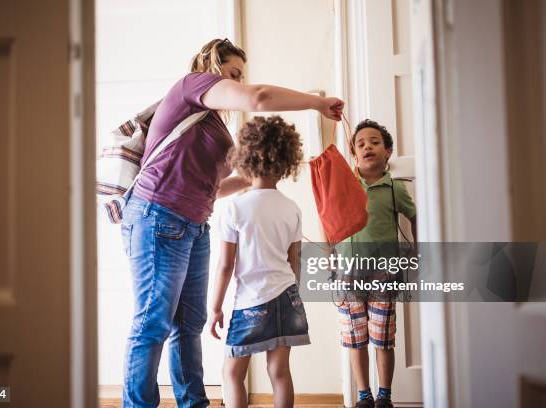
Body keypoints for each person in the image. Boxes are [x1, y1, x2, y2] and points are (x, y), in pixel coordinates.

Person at [121, 38, 343, 408]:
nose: (239, 83)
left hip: (192, 225)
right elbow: (257, 97)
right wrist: (318, 103)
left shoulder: (212, 124)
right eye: (234, 74)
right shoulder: (192, 86)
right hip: (157, 215)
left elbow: (212, 188)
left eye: (241, 76)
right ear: (212, 65)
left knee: (187, 327)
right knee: (153, 323)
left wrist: (263, 176)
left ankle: (194, 403)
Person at [208, 115, 309, 408]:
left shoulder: (234, 208)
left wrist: (215, 308)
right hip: (287, 298)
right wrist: (292, 296)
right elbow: (295, 261)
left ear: (245, 158)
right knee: (279, 372)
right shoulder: (292, 208)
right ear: (286, 160)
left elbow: (225, 266)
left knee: (232, 372)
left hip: (251, 301)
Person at [338, 119, 417, 408]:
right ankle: (363, 395)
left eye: (374, 142)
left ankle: (384, 395)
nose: (367, 147)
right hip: (348, 275)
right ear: (353, 152)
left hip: (385, 274)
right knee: (355, 339)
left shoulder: (395, 188)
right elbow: (330, 218)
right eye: (360, 144)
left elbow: (414, 217)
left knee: (383, 338)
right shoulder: (345, 183)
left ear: (388, 152)